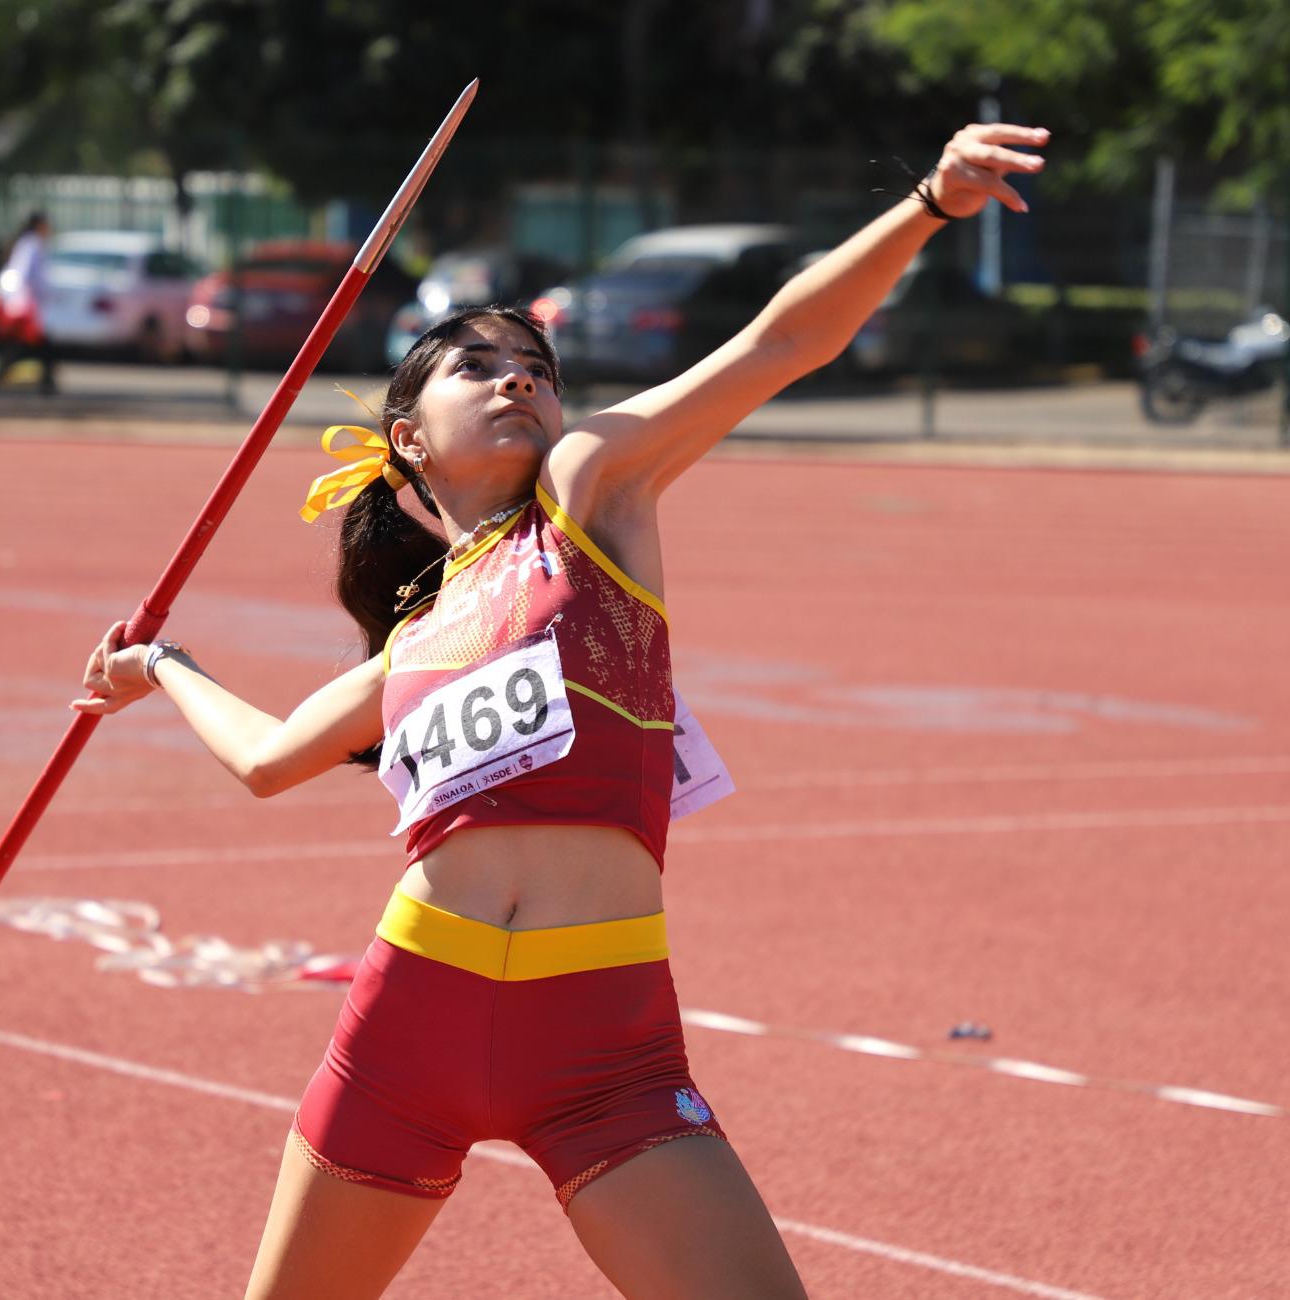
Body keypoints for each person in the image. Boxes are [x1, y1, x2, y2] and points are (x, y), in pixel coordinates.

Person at [73, 122, 1048, 1299]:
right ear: (407, 441)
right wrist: (161, 664)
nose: (519, 377)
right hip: (406, 1022)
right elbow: (270, 759)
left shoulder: (589, 498)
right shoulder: (416, 639)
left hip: (601, 1039)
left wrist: (928, 210)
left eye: (534, 364)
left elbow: (777, 342)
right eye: (476, 366)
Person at [0, 211, 56, 394]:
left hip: (23, 303)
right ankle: (45, 383)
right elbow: (25, 275)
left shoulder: (28, 244)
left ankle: (47, 382)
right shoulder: (31, 244)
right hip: (23, 305)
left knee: (33, 347)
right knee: (26, 347)